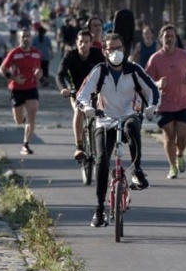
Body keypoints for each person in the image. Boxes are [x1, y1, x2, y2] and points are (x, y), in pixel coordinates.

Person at [76, 33, 160, 227]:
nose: (116, 52)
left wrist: (152, 107)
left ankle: (137, 171)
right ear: (104, 51)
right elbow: (82, 94)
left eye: (119, 48)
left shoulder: (133, 70)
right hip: (105, 120)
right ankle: (99, 210)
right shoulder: (100, 71)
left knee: (132, 125)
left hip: (128, 115)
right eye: (111, 49)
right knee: (101, 161)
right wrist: (88, 108)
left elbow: (152, 90)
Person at [145, 26, 186, 179]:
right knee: (169, 134)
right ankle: (172, 166)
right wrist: (157, 84)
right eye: (166, 36)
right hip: (164, 103)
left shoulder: (184, 56)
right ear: (161, 39)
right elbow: (146, 80)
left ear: (175, 38)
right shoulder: (155, 58)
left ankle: (180, 154)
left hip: (183, 102)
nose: (169, 38)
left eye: (172, 36)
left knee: (183, 136)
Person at [56, 30, 105, 160]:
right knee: (79, 110)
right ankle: (79, 147)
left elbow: (108, 71)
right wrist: (63, 89)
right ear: (76, 43)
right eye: (80, 42)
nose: (83, 45)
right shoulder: (70, 55)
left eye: (86, 42)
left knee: (102, 111)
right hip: (76, 92)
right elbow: (60, 75)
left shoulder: (98, 54)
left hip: (94, 92)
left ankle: (101, 141)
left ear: (91, 43)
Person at [0, 28, 43, 155]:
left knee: (33, 113)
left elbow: (39, 71)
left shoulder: (36, 53)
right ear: (19, 38)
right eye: (23, 36)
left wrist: (39, 74)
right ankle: (23, 119)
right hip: (17, 89)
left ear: (31, 38)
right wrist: (14, 78)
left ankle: (26, 144)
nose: (26, 38)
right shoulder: (14, 53)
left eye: (28, 36)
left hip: (31, 88)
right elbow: (2, 69)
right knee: (18, 121)